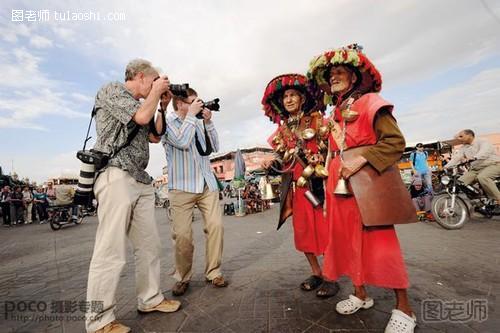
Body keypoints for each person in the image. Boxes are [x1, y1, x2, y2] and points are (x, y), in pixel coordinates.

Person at [308, 44, 416, 332]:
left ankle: (404, 309)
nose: (334, 77)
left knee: (382, 246)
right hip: (340, 190)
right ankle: (360, 293)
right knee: (346, 242)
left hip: (369, 189)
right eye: (330, 74)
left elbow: (394, 143)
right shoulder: (336, 114)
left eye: (340, 71)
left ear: (354, 76)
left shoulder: (371, 102)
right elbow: (336, 151)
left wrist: (361, 160)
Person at [85, 59, 180, 333]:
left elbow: (155, 136)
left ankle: (150, 298)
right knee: (110, 250)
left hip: (140, 178)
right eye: (153, 80)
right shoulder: (112, 90)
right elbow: (139, 118)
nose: (156, 85)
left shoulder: (146, 103)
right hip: (116, 175)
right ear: (140, 76)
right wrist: (154, 94)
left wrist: (162, 104)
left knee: (149, 245)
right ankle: (98, 320)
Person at [262, 74, 338, 297]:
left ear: (302, 98)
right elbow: (281, 159)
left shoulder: (317, 121)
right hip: (296, 190)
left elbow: (332, 148)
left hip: (319, 185)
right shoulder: (282, 131)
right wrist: (271, 162)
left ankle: (332, 277)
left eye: (293, 95)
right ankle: (317, 273)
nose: (289, 99)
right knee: (303, 234)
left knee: (325, 233)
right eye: (285, 96)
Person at [161, 87, 227, 296]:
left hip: (206, 183)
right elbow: (181, 141)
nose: (198, 104)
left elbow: (214, 147)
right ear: (180, 103)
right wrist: (191, 117)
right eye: (193, 101)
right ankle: (183, 277)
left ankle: (213, 271)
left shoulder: (198, 121)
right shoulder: (167, 122)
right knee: (182, 236)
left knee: (216, 227)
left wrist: (208, 122)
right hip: (181, 186)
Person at [445, 129, 500, 214]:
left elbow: (485, 151)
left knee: (482, 177)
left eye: (461, 136)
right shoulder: (463, 147)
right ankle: (478, 202)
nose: (459, 138)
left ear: (469, 135)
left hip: (493, 164)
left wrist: (475, 157)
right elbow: (456, 158)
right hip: (476, 169)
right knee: (460, 182)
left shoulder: (483, 141)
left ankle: (498, 200)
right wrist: (445, 167)